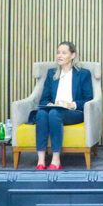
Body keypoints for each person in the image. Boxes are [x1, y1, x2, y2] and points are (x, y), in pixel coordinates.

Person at [33, 42, 93, 171]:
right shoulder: (52, 73)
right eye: (58, 52)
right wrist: (49, 104)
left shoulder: (83, 74)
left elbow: (89, 99)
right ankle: (41, 160)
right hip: (54, 109)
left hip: (73, 112)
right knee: (41, 113)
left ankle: (56, 159)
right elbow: (44, 99)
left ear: (73, 55)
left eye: (64, 53)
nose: (59, 55)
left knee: (54, 113)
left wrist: (71, 104)